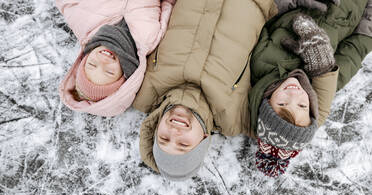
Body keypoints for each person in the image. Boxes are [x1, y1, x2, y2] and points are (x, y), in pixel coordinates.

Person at [133, 0, 371, 180]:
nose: (175, 132)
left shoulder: (141, 91)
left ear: (154, 129)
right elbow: (299, 121)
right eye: (183, 144)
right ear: (202, 141)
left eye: (164, 138)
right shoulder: (235, 117)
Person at [249, 0, 372, 177]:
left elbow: (264, 15)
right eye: (302, 106)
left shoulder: (260, 63)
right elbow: (357, 48)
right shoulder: (331, 79)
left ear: (266, 101)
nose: (294, 94)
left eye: (283, 103)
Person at [56, 0, 176, 116]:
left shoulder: (83, 23)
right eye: (109, 72)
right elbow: (168, 6)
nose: (103, 61)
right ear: (125, 73)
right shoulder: (149, 41)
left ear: (85, 58)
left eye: (92, 64)